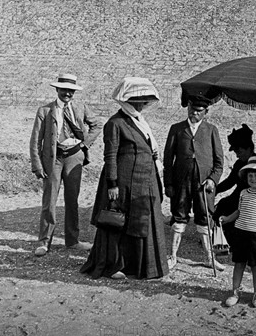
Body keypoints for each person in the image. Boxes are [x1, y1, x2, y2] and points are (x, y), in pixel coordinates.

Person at [81, 77, 168, 280]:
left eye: (144, 100)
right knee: (117, 223)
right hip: (124, 182)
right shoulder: (115, 123)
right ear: (127, 100)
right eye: (139, 100)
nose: (143, 104)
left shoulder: (139, 122)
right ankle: (113, 265)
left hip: (145, 181)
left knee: (143, 221)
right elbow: (110, 155)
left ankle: (140, 266)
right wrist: (112, 184)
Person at [30, 73, 101, 256]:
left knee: (72, 200)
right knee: (49, 201)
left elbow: (96, 125)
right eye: (64, 90)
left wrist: (85, 145)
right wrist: (37, 165)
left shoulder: (80, 107)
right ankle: (44, 242)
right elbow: (36, 141)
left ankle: (72, 240)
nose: (67, 94)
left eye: (71, 91)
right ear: (57, 89)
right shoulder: (45, 111)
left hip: (74, 158)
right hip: (53, 160)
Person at [164, 95, 224, 271]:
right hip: (180, 183)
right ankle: (172, 256)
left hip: (203, 185)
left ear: (206, 112)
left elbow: (219, 162)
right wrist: (168, 184)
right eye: (191, 110)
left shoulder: (212, 130)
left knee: (205, 219)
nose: (194, 113)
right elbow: (168, 161)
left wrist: (213, 180)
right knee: (179, 216)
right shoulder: (176, 129)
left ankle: (209, 258)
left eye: (198, 111)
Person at [219, 156, 256, 309]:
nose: (253, 178)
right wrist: (227, 219)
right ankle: (235, 292)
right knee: (239, 263)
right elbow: (239, 211)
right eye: (250, 175)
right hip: (240, 233)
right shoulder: (243, 193)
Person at [212, 124, 256, 255]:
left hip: (249, 199)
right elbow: (230, 182)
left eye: (239, 152)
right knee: (222, 205)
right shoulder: (239, 163)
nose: (237, 155)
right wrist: (215, 190)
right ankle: (220, 242)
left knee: (230, 209)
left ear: (248, 149)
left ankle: (233, 242)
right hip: (237, 196)